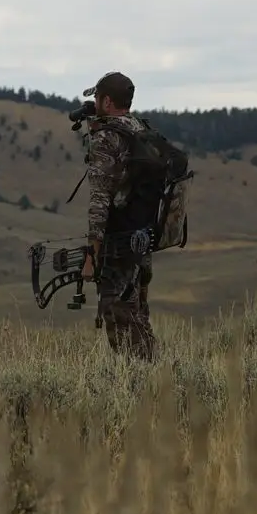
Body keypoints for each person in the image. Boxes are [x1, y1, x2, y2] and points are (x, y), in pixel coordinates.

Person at [77, 71, 157, 362]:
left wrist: (91, 255)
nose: (95, 103)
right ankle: (154, 379)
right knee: (138, 317)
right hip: (144, 239)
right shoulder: (138, 128)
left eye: (97, 98)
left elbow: (100, 200)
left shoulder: (107, 137)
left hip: (120, 245)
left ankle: (139, 384)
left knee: (119, 318)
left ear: (107, 101)